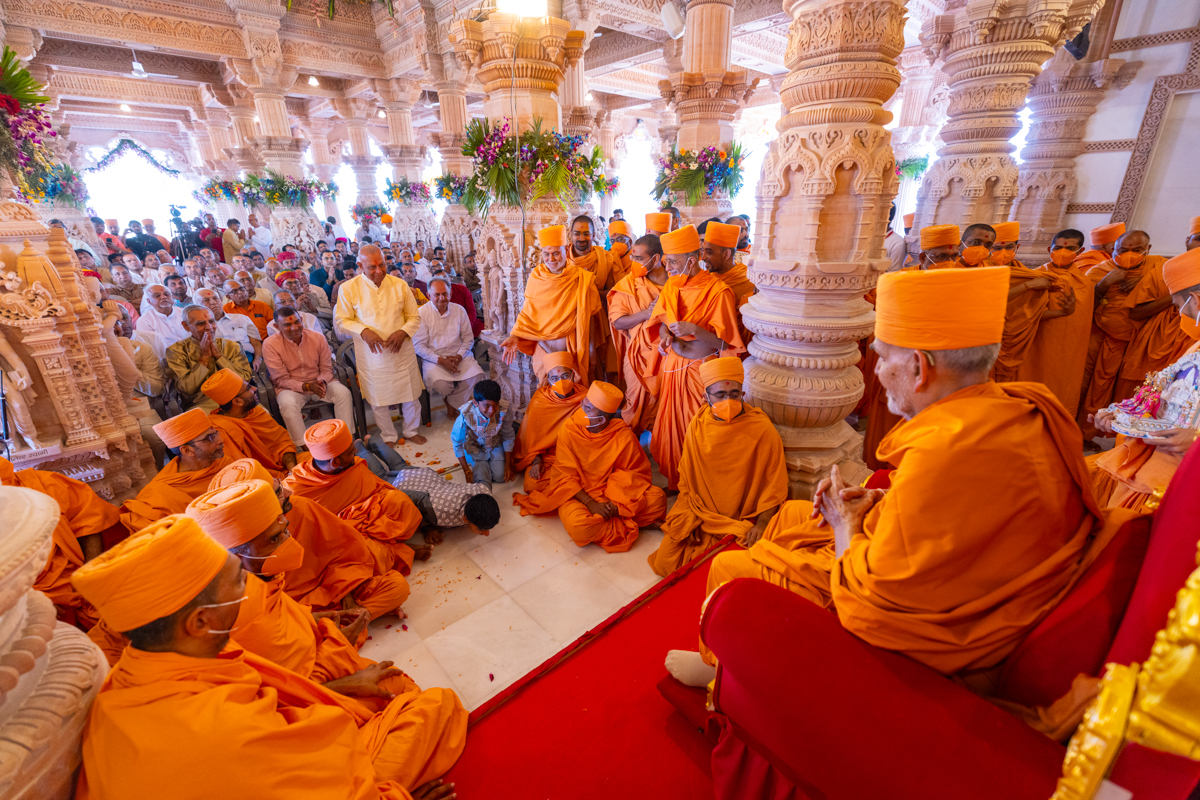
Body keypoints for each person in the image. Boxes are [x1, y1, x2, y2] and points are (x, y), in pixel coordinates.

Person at [666, 265, 1135, 693]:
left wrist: (849, 525)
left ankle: (728, 671)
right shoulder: (1021, 404)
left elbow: (872, 606)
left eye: (883, 357)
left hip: (947, 628)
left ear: (919, 366)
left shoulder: (946, 449)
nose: (878, 371)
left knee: (732, 567)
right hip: (961, 573)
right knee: (792, 516)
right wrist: (877, 503)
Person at [70, 513, 467, 799]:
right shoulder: (217, 732)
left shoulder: (140, 672)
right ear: (199, 621)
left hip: (277, 750)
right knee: (439, 705)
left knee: (390, 698)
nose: (249, 589)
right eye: (238, 582)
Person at [208, 458, 412, 621]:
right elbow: (267, 612)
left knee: (396, 586)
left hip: (335, 586)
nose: (288, 492)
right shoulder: (240, 549)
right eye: (279, 492)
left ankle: (343, 623)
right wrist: (311, 618)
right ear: (260, 508)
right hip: (294, 607)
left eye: (280, 486)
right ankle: (339, 626)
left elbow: (340, 552)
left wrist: (347, 598)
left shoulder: (299, 506)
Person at [647, 357, 787, 577]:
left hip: (738, 519)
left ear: (742, 394)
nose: (728, 400)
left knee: (724, 571)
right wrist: (690, 516)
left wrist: (763, 522)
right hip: (700, 513)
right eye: (720, 395)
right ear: (706, 397)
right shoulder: (698, 424)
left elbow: (774, 484)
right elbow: (687, 479)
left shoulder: (761, 428)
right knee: (665, 563)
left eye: (734, 395)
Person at [1088, 247, 1200, 511]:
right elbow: (1170, 403)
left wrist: (1195, 441)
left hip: (1180, 482)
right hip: (1159, 461)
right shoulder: (1195, 348)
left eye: (1178, 306)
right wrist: (1121, 416)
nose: (1181, 315)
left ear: (1195, 300)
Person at [515, 381, 667, 552]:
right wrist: (591, 503)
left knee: (658, 498)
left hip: (616, 495)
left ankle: (614, 518)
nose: (580, 408)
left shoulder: (622, 435)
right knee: (579, 526)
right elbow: (564, 475)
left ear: (602, 419)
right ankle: (631, 520)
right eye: (583, 403)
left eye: (587, 409)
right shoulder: (570, 429)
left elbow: (635, 474)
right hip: (580, 494)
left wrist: (616, 505)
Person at [648, 224, 745, 490]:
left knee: (697, 431)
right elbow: (661, 320)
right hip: (673, 368)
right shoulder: (672, 286)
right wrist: (665, 333)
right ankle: (675, 482)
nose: (668, 268)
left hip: (700, 373)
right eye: (667, 262)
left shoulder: (718, 292)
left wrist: (695, 330)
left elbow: (728, 344)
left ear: (691, 261)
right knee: (671, 432)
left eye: (673, 263)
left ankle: (699, 486)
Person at [284, 420, 430, 571]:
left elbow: (380, 490)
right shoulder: (294, 490)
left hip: (367, 515)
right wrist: (348, 528)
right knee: (360, 548)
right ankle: (396, 551)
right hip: (342, 534)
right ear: (335, 462)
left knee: (400, 501)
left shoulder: (353, 465)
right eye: (350, 452)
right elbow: (311, 537)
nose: (355, 453)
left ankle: (384, 545)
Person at [1, 457, 120, 628]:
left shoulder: (41, 484)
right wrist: (24, 604)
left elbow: (89, 522)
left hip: (84, 580)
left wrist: (91, 575)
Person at [335, 245, 428, 446]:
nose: (379, 271)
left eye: (382, 265)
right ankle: (388, 436)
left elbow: (414, 317)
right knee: (378, 398)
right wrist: (364, 331)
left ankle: (411, 430)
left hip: (401, 351)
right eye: (372, 267)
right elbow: (342, 321)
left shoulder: (400, 284)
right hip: (372, 355)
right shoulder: (348, 288)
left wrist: (403, 332)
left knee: (411, 394)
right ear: (360, 266)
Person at [1078, 229, 1161, 441]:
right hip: (1100, 337)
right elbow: (1083, 307)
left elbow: (1170, 296)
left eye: (1137, 250)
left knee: (1130, 390)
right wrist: (1105, 284)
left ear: (1148, 250)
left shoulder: (1157, 268)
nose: (1130, 254)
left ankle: (1119, 436)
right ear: (1113, 249)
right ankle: (1082, 434)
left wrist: (1143, 284)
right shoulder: (1100, 271)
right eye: (1123, 250)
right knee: (1090, 386)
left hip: (1141, 342)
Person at [501, 225, 603, 382]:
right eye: (546, 254)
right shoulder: (536, 277)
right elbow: (528, 311)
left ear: (566, 250)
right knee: (547, 390)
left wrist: (591, 350)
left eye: (556, 253)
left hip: (573, 347)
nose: (551, 259)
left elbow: (589, 317)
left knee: (575, 389)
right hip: (544, 347)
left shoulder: (581, 277)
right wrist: (515, 335)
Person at [1017, 229, 1096, 417]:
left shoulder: (1085, 284)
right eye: (1058, 247)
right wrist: (1059, 312)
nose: (1062, 252)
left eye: (1070, 248)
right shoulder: (1035, 276)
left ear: (1080, 251)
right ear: (1049, 249)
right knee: (1031, 384)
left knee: (1062, 387)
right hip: (1037, 344)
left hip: (1069, 349)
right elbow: (1025, 314)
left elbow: (1082, 323)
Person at [1116, 221, 1197, 402]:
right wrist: (1176, 294)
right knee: (1134, 401)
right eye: (1198, 239)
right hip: (1152, 347)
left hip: (1189, 348)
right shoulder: (1162, 270)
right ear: (1187, 240)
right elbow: (1135, 313)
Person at [119, 409, 237, 532]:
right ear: (187, 450)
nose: (220, 440)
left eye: (216, 433)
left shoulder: (224, 463)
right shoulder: (159, 494)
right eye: (209, 438)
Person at [989, 220, 1075, 382]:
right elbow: (990, 302)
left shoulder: (1028, 274)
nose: (1003, 252)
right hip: (987, 339)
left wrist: (1062, 312)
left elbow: (1030, 315)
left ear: (1017, 247)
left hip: (1015, 346)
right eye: (997, 248)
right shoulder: (983, 271)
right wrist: (1027, 286)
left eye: (1009, 247)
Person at [263, 305, 356, 445]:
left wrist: (321, 382)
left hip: (320, 383)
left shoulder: (317, 338)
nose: (294, 328)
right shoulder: (270, 344)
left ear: (301, 320)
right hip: (291, 389)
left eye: (296, 322)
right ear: (277, 326)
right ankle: (305, 448)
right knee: (287, 403)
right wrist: (306, 386)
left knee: (343, 393)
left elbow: (326, 368)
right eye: (287, 325)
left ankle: (347, 441)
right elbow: (280, 379)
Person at [608, 234, 668, 433]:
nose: (633, 262)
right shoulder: (629, 284)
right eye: (632, 257)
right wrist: (646, 314)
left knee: (664, 407)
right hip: (637, 356)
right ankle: (630, 452)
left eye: (639, 258)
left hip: (667, 355)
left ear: (656, 259)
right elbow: (617, 322)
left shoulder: (675, 283)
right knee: (634, 404)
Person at [512, 352, 586, 496]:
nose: (561, 382)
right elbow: (531, 438)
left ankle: (571, 489)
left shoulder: (584, 397)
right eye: (555, 378)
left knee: (591, 475)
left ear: (573, 374)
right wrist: (537, 460)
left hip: (575, 453)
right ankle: (572, 489)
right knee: (533, 484)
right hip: (547, 456)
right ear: (549, 380)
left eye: (565, 376)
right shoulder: (540, 400)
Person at [198, 369, 297, 474]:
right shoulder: (220, 430)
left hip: (284, 468)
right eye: (249, 388)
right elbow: (240, 471)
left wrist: (292, 471)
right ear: (237, 401)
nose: (254, 389)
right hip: (259, 480)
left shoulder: (255, 412)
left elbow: (282, 444)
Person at [413, 277, 484, 419]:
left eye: (445, 294)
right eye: (437, 294)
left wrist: (459, 356)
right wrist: (440, 360)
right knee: (442, 385)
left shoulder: (459, 310)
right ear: (429, 295)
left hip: (460, 356)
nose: (441, 298)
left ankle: (452, 403)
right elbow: (419, 346)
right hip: (434, 359)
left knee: (478, 375)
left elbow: (468, 339)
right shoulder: (421, 313)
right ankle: (453, 400)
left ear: (450, 294)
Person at [166, 305, 253, 412]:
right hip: (203, 405)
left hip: (237, 400)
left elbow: (244, 380)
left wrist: (220, 357)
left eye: (212, 321)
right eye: (201, 323)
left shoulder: (232, 346)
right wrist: (205, 359)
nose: (209, 327)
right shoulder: (176, 351)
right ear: (186, 326)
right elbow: (187, 388)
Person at [391, 466, 501, 536]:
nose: (487, 534)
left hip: (427, 476)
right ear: (465, 518)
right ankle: (373, 443)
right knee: (380, 475)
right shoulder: (439, 510)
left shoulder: (484, 492)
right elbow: (415, 497)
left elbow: (482, 471)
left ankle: (375, 443)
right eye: (481, 530)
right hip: (407, 484)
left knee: (398, 464)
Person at [450, 380, 515, 486]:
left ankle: (492, 464)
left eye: (495, 405)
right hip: (476, 449)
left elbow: (508, 436)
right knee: (482, 481)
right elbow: (457, 442)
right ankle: (479, 464)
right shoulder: (466, 413)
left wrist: (508, 465)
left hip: (495, 445)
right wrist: (466, 470)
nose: (491, 410)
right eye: (487, 405)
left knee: (500, 476)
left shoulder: (504, 409)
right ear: (475, 402)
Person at [195, 287, 261, 370]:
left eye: (215, 298)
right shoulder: (199, 329)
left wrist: (258, 359)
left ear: (221, 300)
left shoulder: (241, 318)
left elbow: (256, 343)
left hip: (250, 362)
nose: (213, 302)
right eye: (206, 300)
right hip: (222, 366)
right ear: (197, 306)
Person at [134, 283, 189, 358]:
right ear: (149, 301)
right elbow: (150, 349)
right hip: (165, 361)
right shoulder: (144, 321)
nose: (163, 297)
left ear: (172, 297)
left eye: (166, 294)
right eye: (157, 296)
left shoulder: (184, 313)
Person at [570, 215, 619, 293]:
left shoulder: (605, 258)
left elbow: (612, 292)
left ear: (593, 235)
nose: (582, 238)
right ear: (571, 234)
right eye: (577, 234)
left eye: (586, 234)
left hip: (597, 304)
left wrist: (589, 290)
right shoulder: (562, 257)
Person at [224, 274, 273, 340]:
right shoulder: (226, 310)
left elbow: (273, 325)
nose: (240, 292)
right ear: (228, 296)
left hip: (266, 342)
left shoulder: (262, 305)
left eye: (242, 289)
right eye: (235, 291)